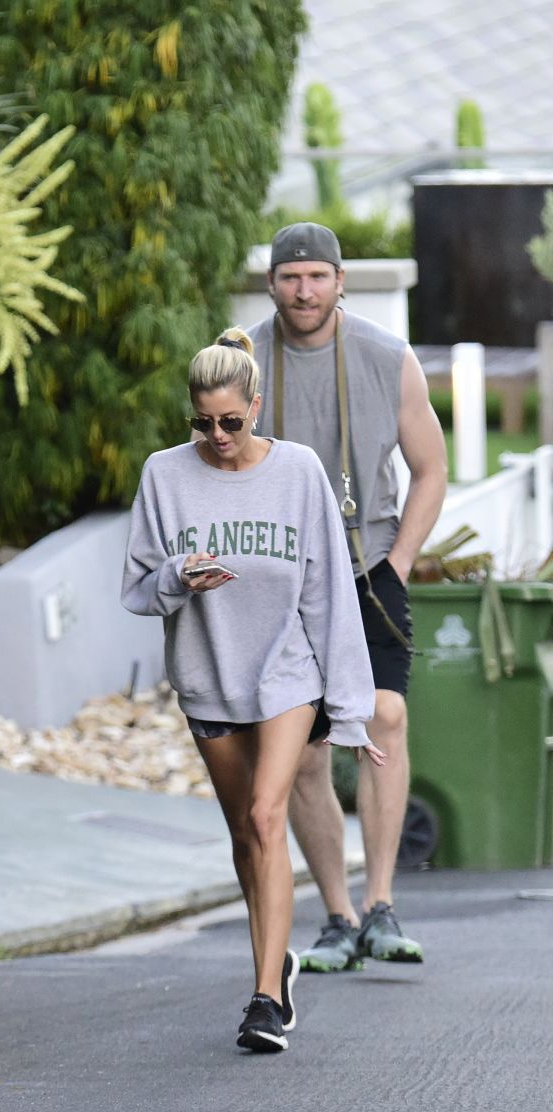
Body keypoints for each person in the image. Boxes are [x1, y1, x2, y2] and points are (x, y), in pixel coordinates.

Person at [121, 328, 384, 1053]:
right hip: (209, 682)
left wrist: (351, 711)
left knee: (270, 816)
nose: (217, 436)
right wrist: (179, 576)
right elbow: (138, 592)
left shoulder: (298, 473)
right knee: (246, 834)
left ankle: (265, 998)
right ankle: (278, 964)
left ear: (257, 407)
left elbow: (330, 592)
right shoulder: (164, 476)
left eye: (231, 422)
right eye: (202, 423)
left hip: (287, 675)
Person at [245, 223, 448, 973]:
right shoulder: (244, 361)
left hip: (369, 562)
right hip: (284, 578)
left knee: (384, 716)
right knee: (300, 754)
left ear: (340, 281)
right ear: (272, 283)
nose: (304, 291)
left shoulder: (386, 358)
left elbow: (430, 470)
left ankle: (381, 903)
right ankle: (335, 913)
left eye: (318, 277)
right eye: (291, 277)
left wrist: (397, 562)